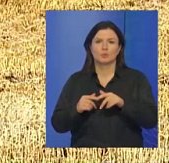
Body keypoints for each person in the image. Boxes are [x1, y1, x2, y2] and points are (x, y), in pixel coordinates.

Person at [50, 20, 158, 148]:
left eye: (111, 42)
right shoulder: (75, 81)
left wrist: (123, 104)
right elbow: (58, 124)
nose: (104, 47)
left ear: (119, 48)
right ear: (90, 47)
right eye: (98, 41)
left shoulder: (137, 79)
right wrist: (77, 109)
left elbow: (151, 120)